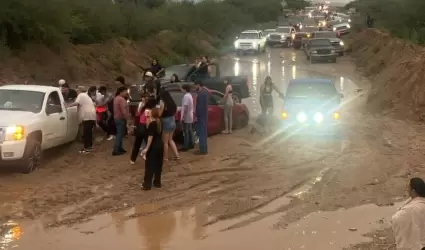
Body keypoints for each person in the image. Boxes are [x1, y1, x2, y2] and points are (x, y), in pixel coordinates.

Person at [392, 177, 425, 250]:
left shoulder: (412, 208)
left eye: (408, 187)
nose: (407, 189)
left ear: (413, 191)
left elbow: (396, 218)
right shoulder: (420, 202)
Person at [67, 86, 97, 154]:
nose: (77, 91)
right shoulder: (86, 96)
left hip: (87, 116)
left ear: (80, 90)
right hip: (91, 116)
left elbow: (76, 103)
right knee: (89, 132)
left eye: (77, 90)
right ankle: (89, 147)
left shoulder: (81, 95)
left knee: (86, 133)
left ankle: (86, 149)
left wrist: (67, 106)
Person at [140, 108, 164, 191]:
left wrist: (146, 148)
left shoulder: (152, 124)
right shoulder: (160, 122)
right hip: (160, 145)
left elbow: (150, 137)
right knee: (158, 165)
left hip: (153, 146)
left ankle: (147, 184)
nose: (149, 113)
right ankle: (157, 182)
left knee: (149, 166)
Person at [130, 96, 156, 164]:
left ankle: (132, 159)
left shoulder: (143, 108)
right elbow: (147, 120)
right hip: (145, 128)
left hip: (140, 127)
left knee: (137, 144)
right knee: (149, 144)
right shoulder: (149, 110)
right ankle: (148, 157)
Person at [159, 89, 180, 160]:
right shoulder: (171, 101)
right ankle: (177, 155)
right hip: (172, 121)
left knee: (165, 142)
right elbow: (176, 110)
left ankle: (166, 157)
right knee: (170, 140)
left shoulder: (162, 102)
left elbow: (160, 114)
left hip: (166, 121)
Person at [113, 87, 130, 156]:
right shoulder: (122, 100)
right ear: (121, 92)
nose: (126, 92)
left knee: (120, 134)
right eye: (125, 91)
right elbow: (124, 111)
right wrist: (128, 119)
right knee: (120, 134)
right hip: (121, 119)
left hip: (117, 118)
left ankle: (120, 148)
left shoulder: (116, 98)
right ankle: (116, 149)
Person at [194, 80, 209, 155]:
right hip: (205, 115)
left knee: (201, 132)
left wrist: (196, 115)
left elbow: (199, 107)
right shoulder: (205, 92)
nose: (195, 87)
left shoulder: (200, 94)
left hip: (201, 116)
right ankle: (204, 149)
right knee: (204, 132)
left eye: (195, 85)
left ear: (198, 85)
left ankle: (202, 150)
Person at [180, 84, 194, 151]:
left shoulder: (186, 96)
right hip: (190, 115)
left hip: (187, 116)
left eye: (182, 88)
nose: (181, 90)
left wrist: (182, 117)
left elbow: (185, 107)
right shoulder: (190, 95)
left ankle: (186, 146)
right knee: (190, 130)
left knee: (186, 131)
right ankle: (191, 143)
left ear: (185, 89)